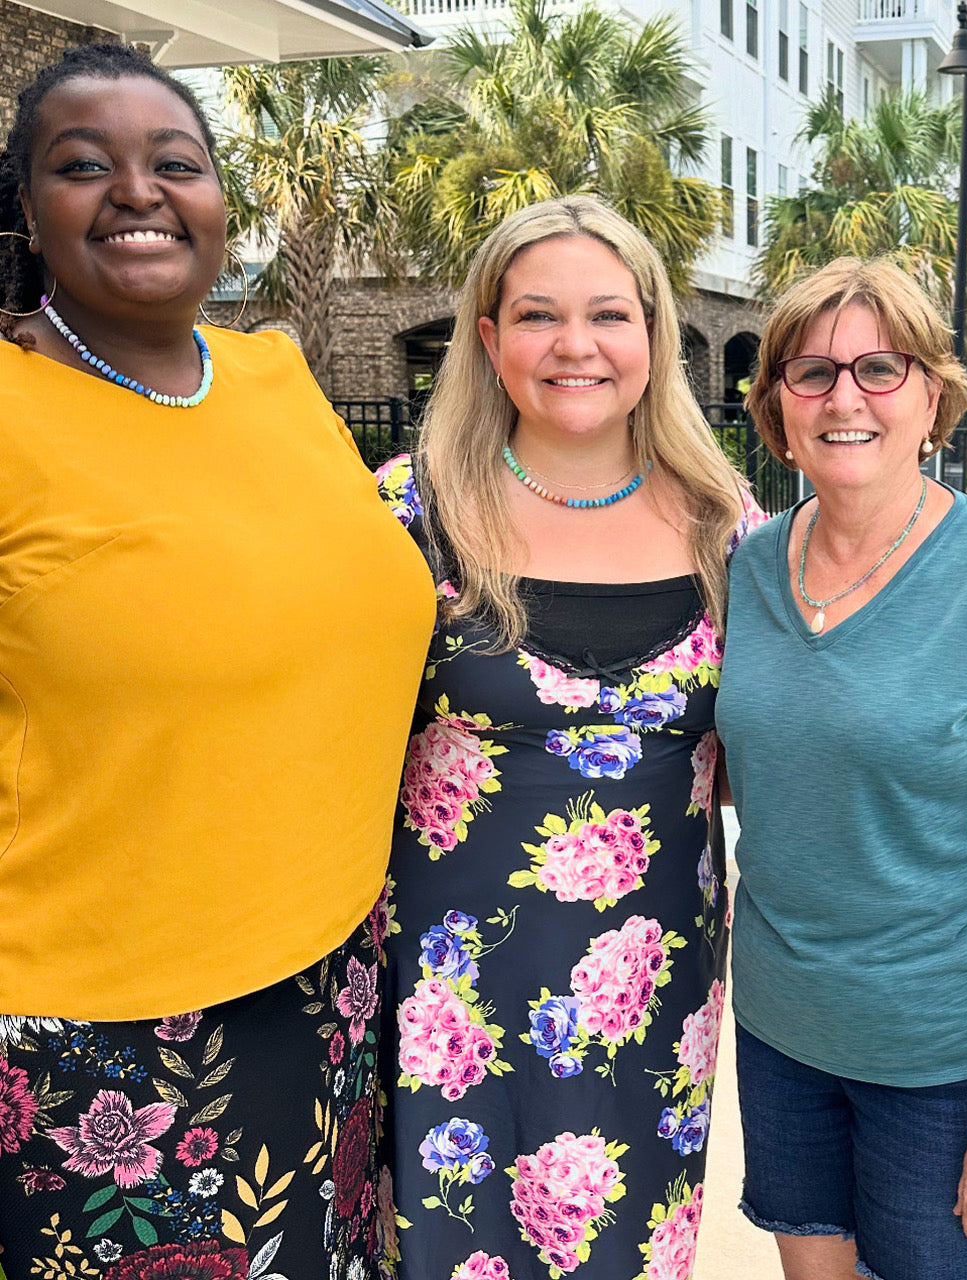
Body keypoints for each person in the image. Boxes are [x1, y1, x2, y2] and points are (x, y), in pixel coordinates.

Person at [0, 45, 433, 1279]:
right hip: (101, 1030)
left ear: (217, 202)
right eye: (83, 167)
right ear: (28, 213)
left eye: (173, 163)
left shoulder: (275, 374)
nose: (137, 191)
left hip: (333, 980)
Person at [373, 194, 763, 1280]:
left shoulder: (723, 521)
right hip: (443, 988)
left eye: (609, 314)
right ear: (489, 338)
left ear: (652, 336)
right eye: (538, 316)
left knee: (621, 1242)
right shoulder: (406, 512)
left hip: (654, 984)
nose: (576, 345)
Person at [715, 256, 967, 1280]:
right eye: (808, 372)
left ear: (931, 394)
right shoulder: (749, 567)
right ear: (774, 406)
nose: (842, 396)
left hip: (941, 1067)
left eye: (877, 368)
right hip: (780, 1029)